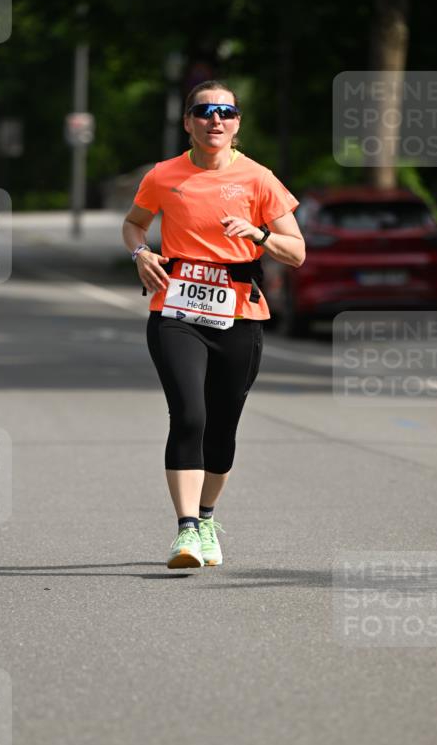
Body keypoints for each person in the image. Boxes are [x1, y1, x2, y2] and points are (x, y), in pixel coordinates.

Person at [122, 80, 305, 569]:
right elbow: (134, 223)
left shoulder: (259, 179)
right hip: (175, 311)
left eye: (226, 111)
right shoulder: (163, 175)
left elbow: (297, 252)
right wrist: (141, 253)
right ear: (188, 122)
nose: (215, 120)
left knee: (222, 427)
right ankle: (185, 531)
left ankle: (205, 518)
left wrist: (259, 235)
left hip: (239, 315)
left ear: (237, 122)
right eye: (204, 112)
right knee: (189, 415)